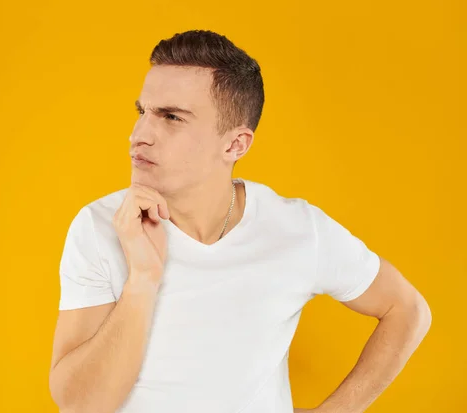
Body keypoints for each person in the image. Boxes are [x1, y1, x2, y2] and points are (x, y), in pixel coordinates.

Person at [48, 30, 431, 413]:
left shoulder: (296, 229)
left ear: (236, 144)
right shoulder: (100, 227)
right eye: (142, 112)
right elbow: (80, 405)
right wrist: (142, 281)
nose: (138, 135)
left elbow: (407, 310)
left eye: (171, 117)